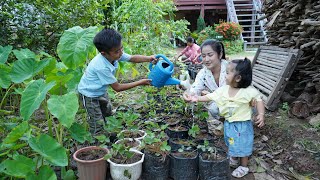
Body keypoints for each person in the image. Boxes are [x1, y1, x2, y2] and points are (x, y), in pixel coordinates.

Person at [183, 58, 265, 178]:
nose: (225, 75)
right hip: (230, 124)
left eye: (227, 73)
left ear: (237, 78)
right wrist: (196, 98)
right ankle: (234, 156)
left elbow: (259, 100)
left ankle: (244, 165)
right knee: (231, 140)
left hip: (243, 125)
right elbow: (210, 96)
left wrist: (261, 114)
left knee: (243, 144)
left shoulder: (248, 91)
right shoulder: (223, 90)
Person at [78, 28, 156, 135]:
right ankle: (99, 144)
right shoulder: (101, 66)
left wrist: (149, 58)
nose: (120, 53)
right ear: (104, 53)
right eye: (117, 51)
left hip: (101, 91)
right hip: (89, 95)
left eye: (121, 48)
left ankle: (110, 135)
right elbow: (117, 88)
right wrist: (141, 82)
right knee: (97, 122)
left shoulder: (115, 54)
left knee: (108, 114)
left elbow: (132, 58)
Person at [183, 39, 228, 136]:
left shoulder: (231, 69)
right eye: (203, 56)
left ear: (220, 55)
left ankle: (234, 124)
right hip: (219, 104)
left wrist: (210, 96)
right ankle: (225, 124)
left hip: (238, 102)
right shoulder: (203, 73)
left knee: (214, 108)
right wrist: (189, 95)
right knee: (214, 110)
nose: (206, 59)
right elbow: (195, 88)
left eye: (210, 55)